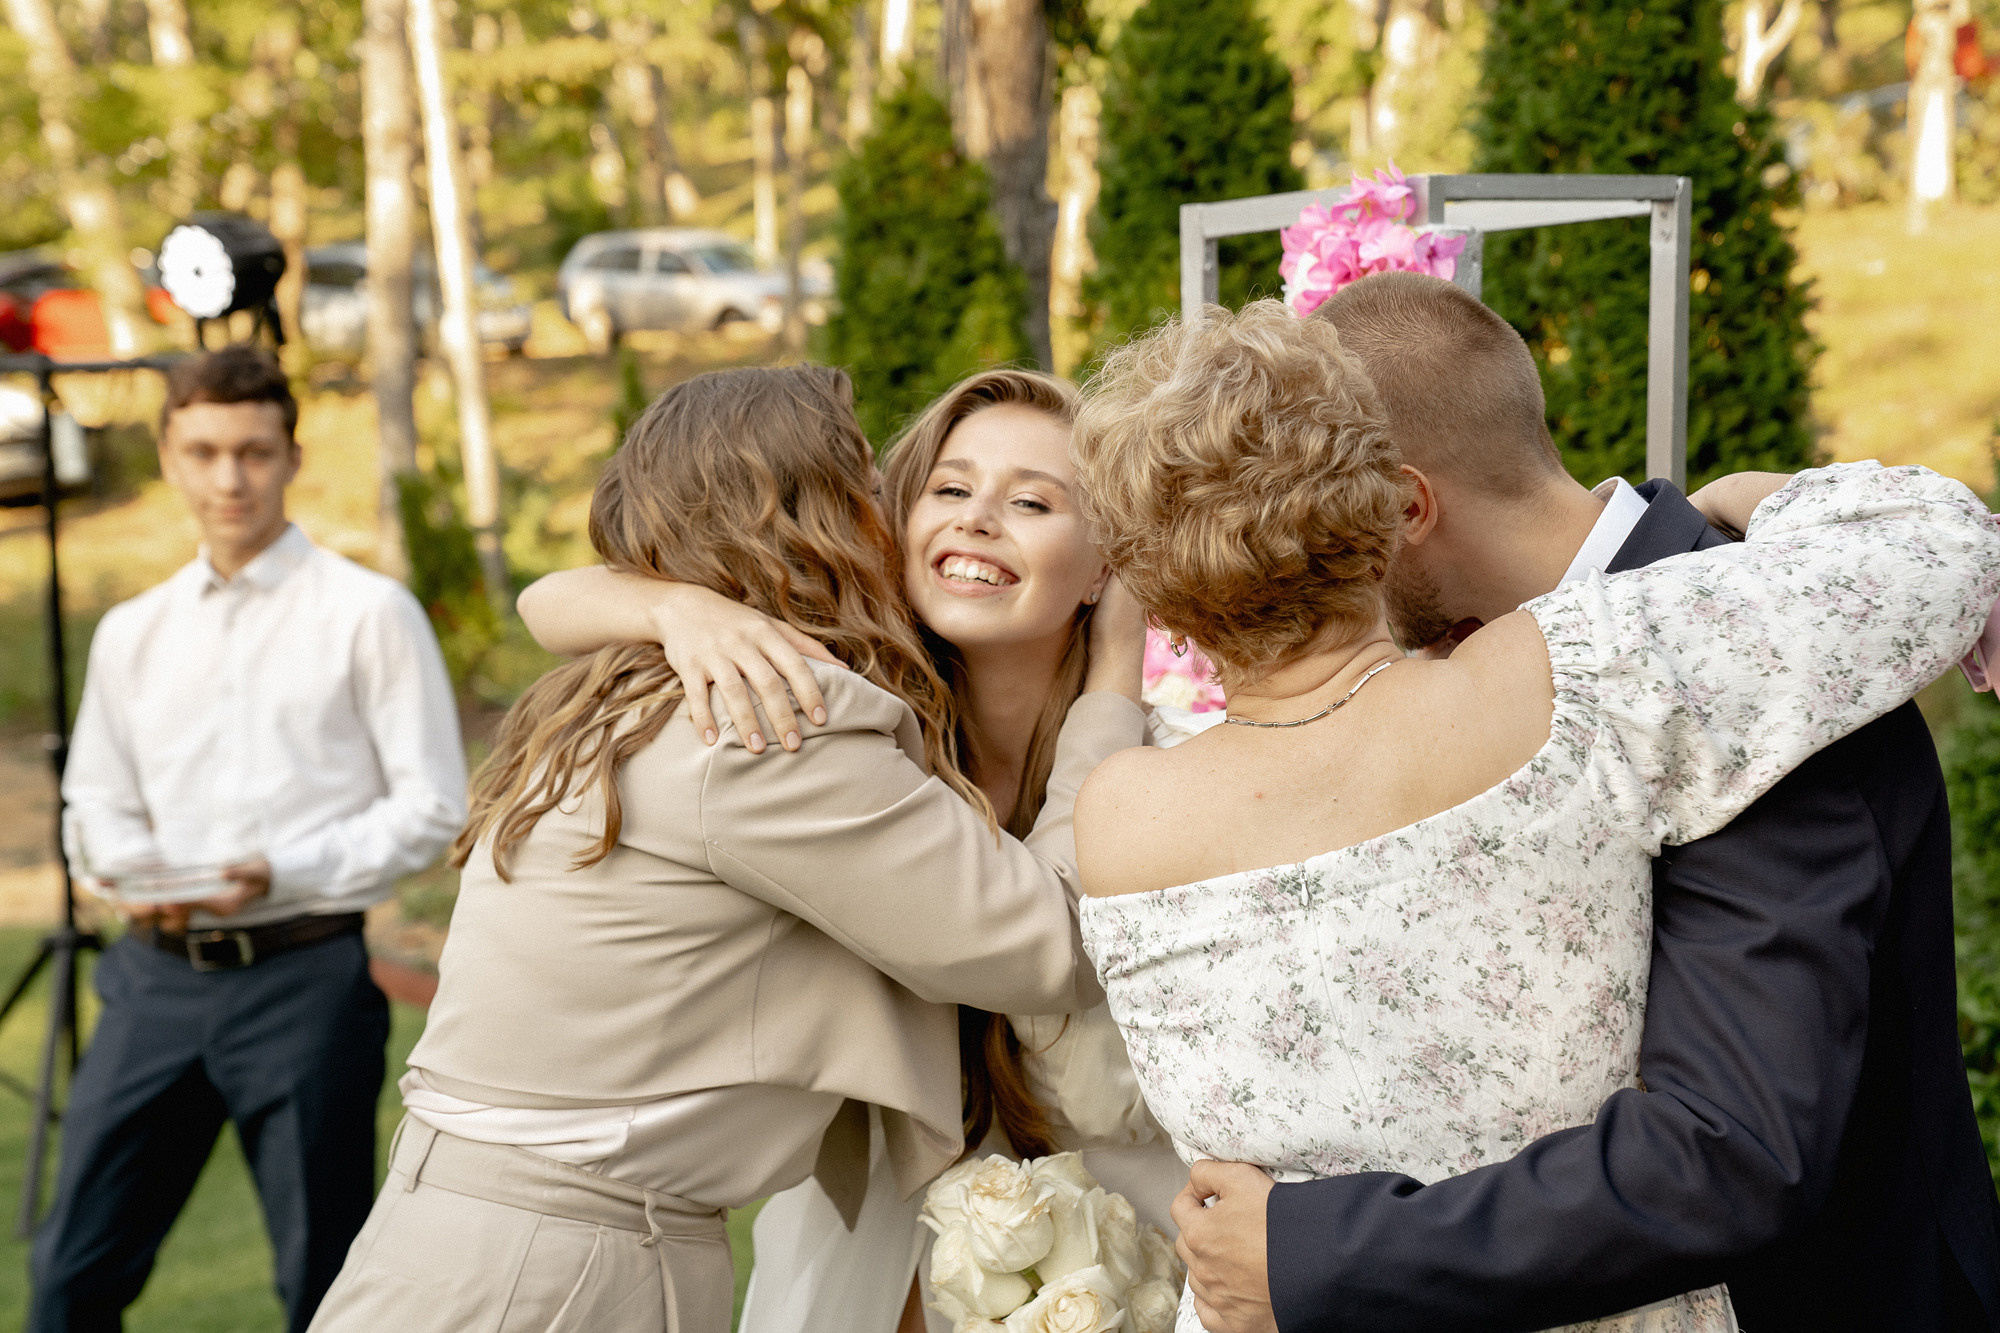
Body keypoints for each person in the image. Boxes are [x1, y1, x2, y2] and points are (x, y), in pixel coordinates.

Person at [1064, 300, 2000, 1333]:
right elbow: (1929, 546)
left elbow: (1734, 1152)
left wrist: (1307, 1253)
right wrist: (1774, 501)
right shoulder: (1584, 670)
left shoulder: (1731, 643)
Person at [306, 364, 1147, 1333]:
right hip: (561, 1261)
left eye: (1031, 499)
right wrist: (1113, 684)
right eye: (886, 489)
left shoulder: (653, 681)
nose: (901, 511)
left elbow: (555, 600)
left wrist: (669, 606)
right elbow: (1047, 939)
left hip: (488, 1226)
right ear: (814, 521)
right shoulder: (770, 716)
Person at [32, 345, 467, 1333]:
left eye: (254, 452)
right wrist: (124, 877)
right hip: (152, 982)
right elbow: (93, 802)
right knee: (70, 1273)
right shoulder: (132, 632)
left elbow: (433, 806)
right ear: (170, 459)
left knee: (324, 1286)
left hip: (303, 981)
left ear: (291, 456)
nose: (230, 478)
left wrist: (286, 869)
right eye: (205, 452)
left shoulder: (369, 616)